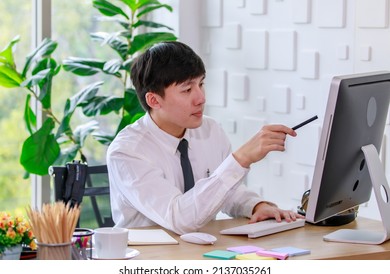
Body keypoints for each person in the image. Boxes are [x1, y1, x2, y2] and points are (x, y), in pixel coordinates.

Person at [107, 41, 302, 235]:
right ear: (154, 100)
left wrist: (255, 205)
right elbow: (178, 219)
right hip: (149, 258)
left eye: (201, 84)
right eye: (187, 90)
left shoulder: (210, 130)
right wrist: (241, 159)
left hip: (202, 250)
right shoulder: (127, 152)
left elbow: (224, 192)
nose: (201, 98)